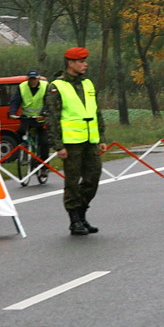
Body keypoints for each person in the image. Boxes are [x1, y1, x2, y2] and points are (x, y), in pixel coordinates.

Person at [45, 47, 107, 236]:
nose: (85, 64)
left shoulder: (87, 84)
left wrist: (101, 138)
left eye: (85, 60)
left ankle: (82, 214)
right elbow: (52, 117)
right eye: (81, 61)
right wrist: (58, 145)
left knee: (93, 179)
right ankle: (74, 220)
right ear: (70, 63)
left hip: (90, 140)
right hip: (71, 143)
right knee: (72, 182)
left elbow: (96, 112)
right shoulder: (57, 86)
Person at [7, 70, 49, 162]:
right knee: (20, 133)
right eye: (31, 79)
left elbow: (48, 102)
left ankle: (44, 167)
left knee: (44, 143)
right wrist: (12, 113)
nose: (32, 81)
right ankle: (24, 151)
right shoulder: (22, 87)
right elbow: (15, 101)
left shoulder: (45, 86)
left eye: (34, 79)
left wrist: (43, 114)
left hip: (40, 119)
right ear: (27, 79)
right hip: (27, 118)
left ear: (38, 79)